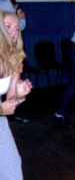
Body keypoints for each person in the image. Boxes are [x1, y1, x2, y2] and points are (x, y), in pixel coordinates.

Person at [0, 11, 32, 180]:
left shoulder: (14, 59)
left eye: (16, 28)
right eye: (8, 27)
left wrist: (19, 95)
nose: (13, 31)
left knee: (12, 170)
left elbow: (10, 107)